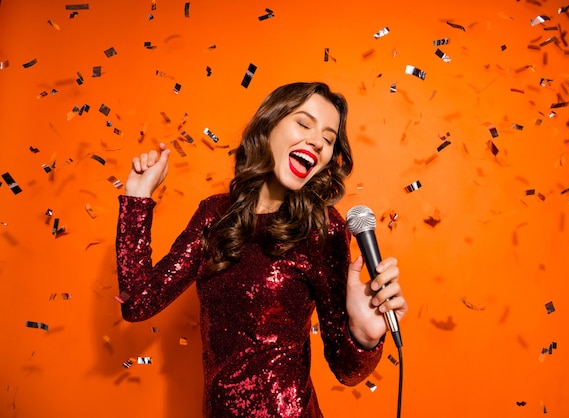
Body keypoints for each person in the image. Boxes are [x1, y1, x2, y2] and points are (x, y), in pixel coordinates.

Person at [116, 81, 408, 417]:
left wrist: (364, 334)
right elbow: (138, 302)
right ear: (268, 126)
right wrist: (137, 201)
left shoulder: (321, 227)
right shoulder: (214, 215)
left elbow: (347, 369)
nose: (317, 141)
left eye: (328, 139)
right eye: (304, 123)